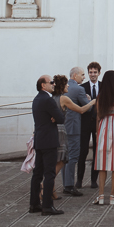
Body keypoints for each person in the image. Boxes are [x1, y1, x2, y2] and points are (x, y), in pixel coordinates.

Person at [29, 74, 66, 215]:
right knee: (49, 173)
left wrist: (53, 117)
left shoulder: (36, 99)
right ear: (43, 85)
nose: (53, 84)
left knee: (37, 173)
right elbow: (61, 118)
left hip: (39, 140)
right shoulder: (48, 100)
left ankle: (34, 204)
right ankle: (47, 206)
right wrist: (55, 117)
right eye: (51, 82)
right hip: (49, 140)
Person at [61, 69, 96, 196]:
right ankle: (69, 185)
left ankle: (66, 183)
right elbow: (87, 108)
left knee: (64, 157)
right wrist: (90, 100)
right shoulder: (79, 89)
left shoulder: (63, 88)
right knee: (73, 156)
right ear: (75, 75)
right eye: (82, 75)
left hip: (63, 126)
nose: (84, 77)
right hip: (74, 128)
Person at [94, 70, 114, 205]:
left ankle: (100, 196)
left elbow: (99, 115)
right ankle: (112, 196)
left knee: (102, 163)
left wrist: (97, 132)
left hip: (104, 127)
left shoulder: (101, 96)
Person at [78, 61, 102, 189]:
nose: (92, 74)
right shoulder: (82, 87)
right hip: (85, 123)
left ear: (99, 73)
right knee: (83, 151)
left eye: (95, 72)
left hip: (99, 123)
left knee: (97, 152)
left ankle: (94, 180)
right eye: (90, 72)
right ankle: (79, 180)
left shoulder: (103, 86)